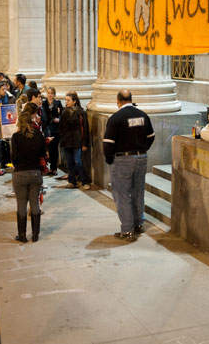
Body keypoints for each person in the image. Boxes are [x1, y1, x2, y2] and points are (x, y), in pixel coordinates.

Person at [103, 90, 155, 242]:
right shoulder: (142, 115)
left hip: (123, 160)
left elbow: (108, 144)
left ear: (118, 101)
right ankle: (138, 224)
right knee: (138, 192)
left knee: (122, 194)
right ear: (131, 99)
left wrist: (109, 159)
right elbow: (151, 137)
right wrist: (142, 150)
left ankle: (127, 230)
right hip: (141, 158)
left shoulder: (116, 118)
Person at [11, 112, 46, 242]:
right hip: (35, 173)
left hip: (20, 174)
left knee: (21, 205)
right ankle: (35, 235)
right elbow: (43, 153)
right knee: (34, 203)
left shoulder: (16, 137)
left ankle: (22, 235)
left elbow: (13, 157)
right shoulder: (38, 135)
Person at [59, 91, 91, 189]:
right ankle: (72, 181)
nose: (66, 102)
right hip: (67, 141)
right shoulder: (64, 112)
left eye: (68, 100)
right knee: (69, 162)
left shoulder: (81, 113)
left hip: (77, 141)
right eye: (66, 100)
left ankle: (85, 181)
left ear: (74, 101)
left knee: (78, 161)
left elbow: (85, 129)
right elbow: (61, 128)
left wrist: (85, 143)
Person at [42, 87, 63, 176]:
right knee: (49, 149)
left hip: (55, 128)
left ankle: (54, 168)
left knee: (54, 148)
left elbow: (62, 113)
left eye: (51, 93)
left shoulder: (57, 103)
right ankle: (48, 167)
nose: (50, 95)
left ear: (54, 94)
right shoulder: (44, 103)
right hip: (47, 128)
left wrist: (59, 119)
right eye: (48, 93)